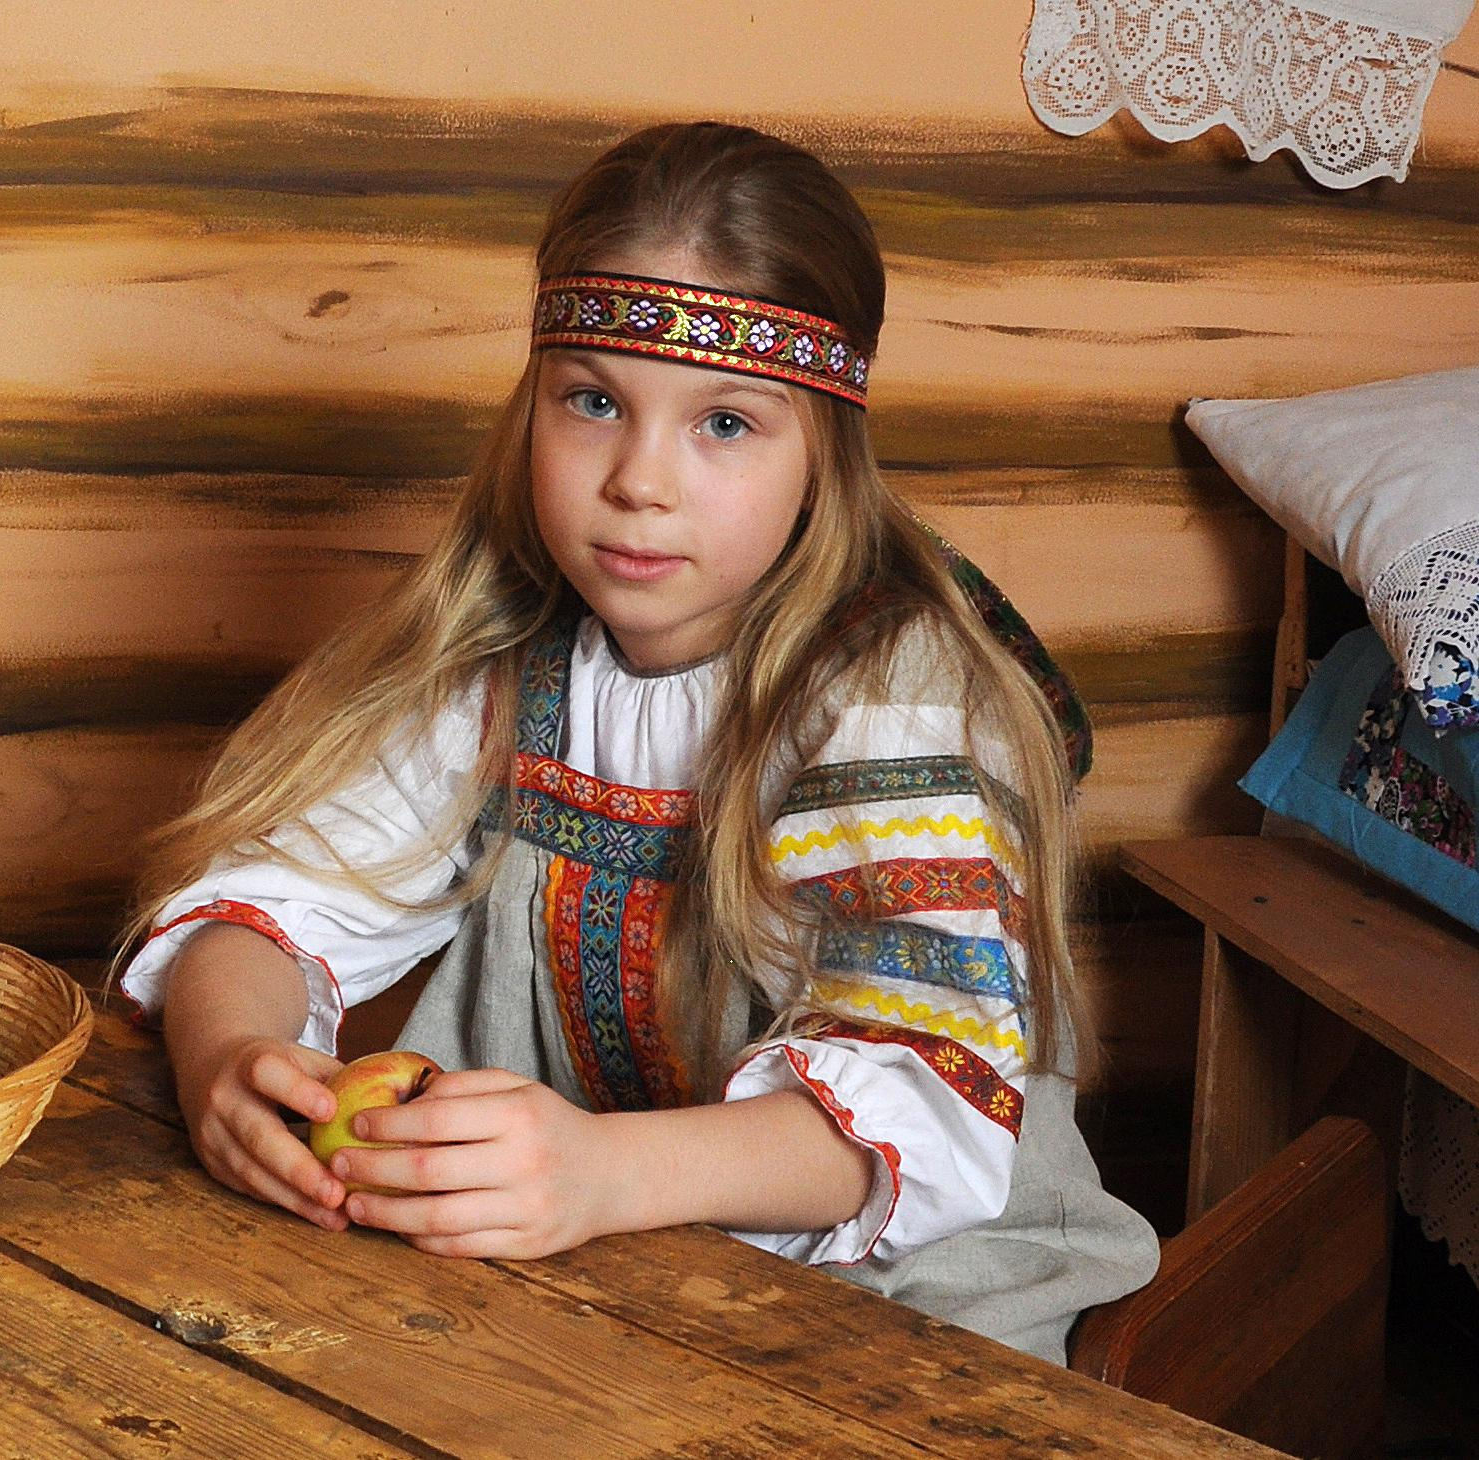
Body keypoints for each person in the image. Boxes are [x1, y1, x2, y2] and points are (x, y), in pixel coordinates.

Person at [110, 120, 1159, 1366]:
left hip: (910, 1316)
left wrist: (599, 1170)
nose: (638, 480)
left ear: (823, 450)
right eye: (594, 400)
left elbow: (926, 1098)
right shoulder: (505, 661)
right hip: (590, 1293)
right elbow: (277, 902)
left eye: (724, 425)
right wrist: (230, 1057)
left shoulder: (885, 691)